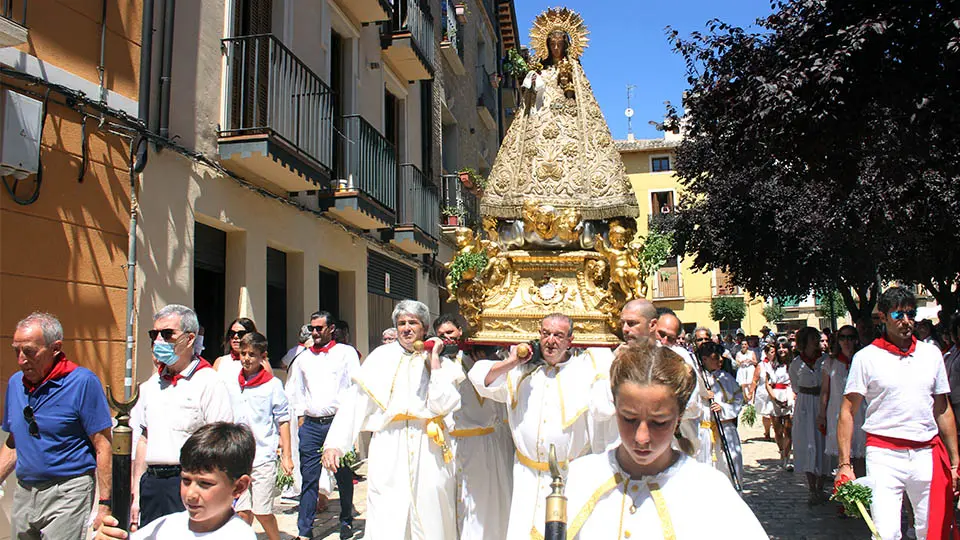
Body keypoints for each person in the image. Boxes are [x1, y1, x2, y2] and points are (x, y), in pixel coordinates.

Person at [563, 339, 767, 539]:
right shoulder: (579, 478)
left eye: (659, 422)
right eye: (629, 419)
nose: (641, 438)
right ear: (615, 408)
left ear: (678, 418)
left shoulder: (709, 490)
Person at [322, 300, 465, 539]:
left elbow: (443, 404)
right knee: (387, 508)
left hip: (429, 445)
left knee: (433, 509)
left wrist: (434, 361)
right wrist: (335, 443)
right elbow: (355, 402)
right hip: (390, 443)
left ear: (425, 326)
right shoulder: (381, 357)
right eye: (401, 323)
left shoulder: (441, 358)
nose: (407, 328)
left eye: (413, 323)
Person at [468, 313, 614, 539]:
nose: (551, 341)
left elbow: (606, 406)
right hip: (527, 475)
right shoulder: (521, 372)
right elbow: (480, 379)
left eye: (558, 335)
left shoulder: (586, 370)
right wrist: (512, 361)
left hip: (570, 475)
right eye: (546, 334)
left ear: (570, 340)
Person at [837, 287, 960, 540]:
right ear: (882, 317)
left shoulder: (931, 354)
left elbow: (943, 408)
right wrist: (845, 464)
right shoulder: (866, 358)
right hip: (884, 454)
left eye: (910, 314)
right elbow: (848, 411)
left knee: (931, 530)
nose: (906, 322)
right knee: (886, 532)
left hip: (926, 453)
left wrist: (956, 461)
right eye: (898, 315)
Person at [0, 312, 113, 537]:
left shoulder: (82, 382)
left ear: (55, 348)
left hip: (68, 491)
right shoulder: (15, 384)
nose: (21, 359)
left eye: (30, 352)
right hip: (25, 491)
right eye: (17, 351)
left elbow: (103, 446)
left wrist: (105, 503)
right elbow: (15, 442)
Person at [133, 304, 234, 529]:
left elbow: (220, 444)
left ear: (189, 339)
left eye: (167, 334)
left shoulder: (209, 382)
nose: (159, 340)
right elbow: (144, 439)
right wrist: (136, 492)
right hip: (152, 484)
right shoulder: (151, 386)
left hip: (190, 483)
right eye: (154, 334)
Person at [96, 422, 257, 539]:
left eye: (205, 484)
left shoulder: (239, 535)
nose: (191, 494)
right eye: (186, 481)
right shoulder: (166, 526)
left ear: (239, 487)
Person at [433, 314, 513, 540]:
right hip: (455, 443)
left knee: (487, 502)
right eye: (441, 335)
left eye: (450, 332)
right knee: (458, 501)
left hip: (488, 442)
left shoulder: (483, 356)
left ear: (460, 331)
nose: (447, 338)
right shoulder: (444, 363)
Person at [286, 311, 360, 540]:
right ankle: (304, 531)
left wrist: (349, 427)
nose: (315, 333)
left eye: (319, 328)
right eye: (312, 328)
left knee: (343, 476)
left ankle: (346, 519)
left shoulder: (346, 353)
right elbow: (295, 391)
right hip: (311, 425)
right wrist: (300, 422)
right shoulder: (303, 358)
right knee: (309, 479)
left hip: (337, 424)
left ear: (331, 329)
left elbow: (355, 388)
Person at [229, 332, 293, 539]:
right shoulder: (233, 384)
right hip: (239, 457)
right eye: (243, 353)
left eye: (252, 354)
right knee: (242, 511)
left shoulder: (272, 385)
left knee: (262, 511)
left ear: (262, 356)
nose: (247, 358)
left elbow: (283, 420)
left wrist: (287, 455)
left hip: (263, 456)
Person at [820, 325, 867, 481]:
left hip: (860, 410)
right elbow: (825, 390)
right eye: (843, 337)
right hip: (837, 410)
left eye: (850, 337)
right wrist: (822, 413)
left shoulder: (862, 360)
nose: (847, 341)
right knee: (843, 454)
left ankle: (862, 489)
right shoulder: (830, 363)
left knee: (860, 455)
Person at [789, 327, 828, 504]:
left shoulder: (826, 360)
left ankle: (821, 485)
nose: (816, 342)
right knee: (807, 443)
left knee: (822, 442)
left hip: (821, 402)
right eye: (812, 338)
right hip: (805, 404)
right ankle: (811, 487)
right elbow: (795, 385)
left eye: (817, 338)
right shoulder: (797, 363)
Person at [697, 342, 744, 486]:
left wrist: (722, 408)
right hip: (705, 430)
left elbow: (738, 399)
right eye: (715, 357)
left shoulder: (726, 377)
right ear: (704, 359)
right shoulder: (697, 379)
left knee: (730, 464)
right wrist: (702, 395)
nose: (719, 360)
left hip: (725, 428)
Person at [766, 341, 795, 470]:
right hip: (775, 395)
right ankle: (782, 451)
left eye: (784, 347)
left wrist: (792, 396)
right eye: (779, 348)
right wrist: (774, 398)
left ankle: (788, 457)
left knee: (788, 429)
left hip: (788, 394)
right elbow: (767, 383)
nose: (782, 350)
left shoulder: (793, 364)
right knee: (778, 429)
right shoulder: (771, 365)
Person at [752, 343, 777, 440]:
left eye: (774, 352)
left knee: (775, 413)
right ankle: (767, 432)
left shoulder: (778, 364)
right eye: (771, 352)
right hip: (764, 392)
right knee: (766, 413)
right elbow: (755, 379)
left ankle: (777, 432)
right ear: (766, 353)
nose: (773, 354)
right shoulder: (761, 365)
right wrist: (751, 393)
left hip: (776, 391)